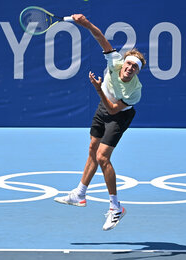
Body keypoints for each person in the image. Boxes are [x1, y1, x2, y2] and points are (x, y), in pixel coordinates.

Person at [54, 14, 146, 231]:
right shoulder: (114, 61)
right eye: (129, 63)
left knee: (103, 157)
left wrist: (98, 89)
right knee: (92, 149)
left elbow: (114, 109)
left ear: (137, 72)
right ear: (123, 62)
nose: (130, 68)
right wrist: (86, 24)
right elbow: (101, 38)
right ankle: (80, 194)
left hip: (119, 115)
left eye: (135, 67)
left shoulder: (135, 91)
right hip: (103, 107)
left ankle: (116, 208)